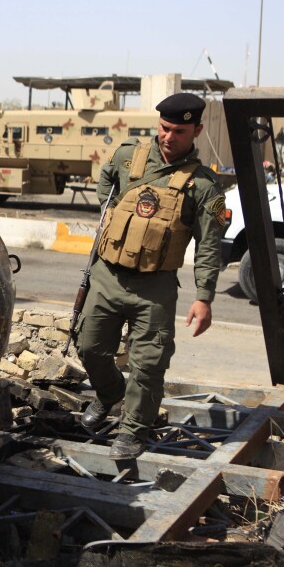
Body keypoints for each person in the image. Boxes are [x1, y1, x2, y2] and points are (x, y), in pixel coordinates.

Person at [74, 92, 225, 460]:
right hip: (107, 276)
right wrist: (111, 216)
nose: (169, 137)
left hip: (155, 287)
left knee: (148, 364)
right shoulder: (129, 156)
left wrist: (204, 297)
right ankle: (111, 395)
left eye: (179, 131)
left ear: (197, 131)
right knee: (89, 347)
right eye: (164, 128)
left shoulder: (203, 186)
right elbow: (106, 181)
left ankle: (133, 430)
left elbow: (208, 246)